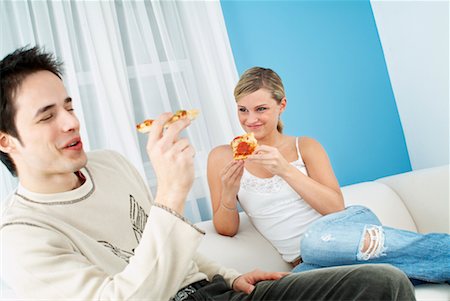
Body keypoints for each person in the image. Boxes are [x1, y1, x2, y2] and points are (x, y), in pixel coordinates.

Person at [0, 46, 415, 301]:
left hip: (220, 291)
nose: (71, 123)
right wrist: (173, 194)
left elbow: (172, 247)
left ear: (281, 107)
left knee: (384, 284)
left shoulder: (108, 165)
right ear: (6, 141)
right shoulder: (22, 236)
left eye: (69, 106)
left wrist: (230, 277)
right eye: (47, 116)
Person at [207, 66, 450, 285]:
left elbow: (335, 206)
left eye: (261, 109)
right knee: (291, 286)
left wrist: (285, 170)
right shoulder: (222, 157)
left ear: (281, 106)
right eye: (243, 110)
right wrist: (228, 194)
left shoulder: (306, 147)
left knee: (313, 242)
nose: (250, 120)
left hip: (343, 228)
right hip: (307, 262)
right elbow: (226, 229)